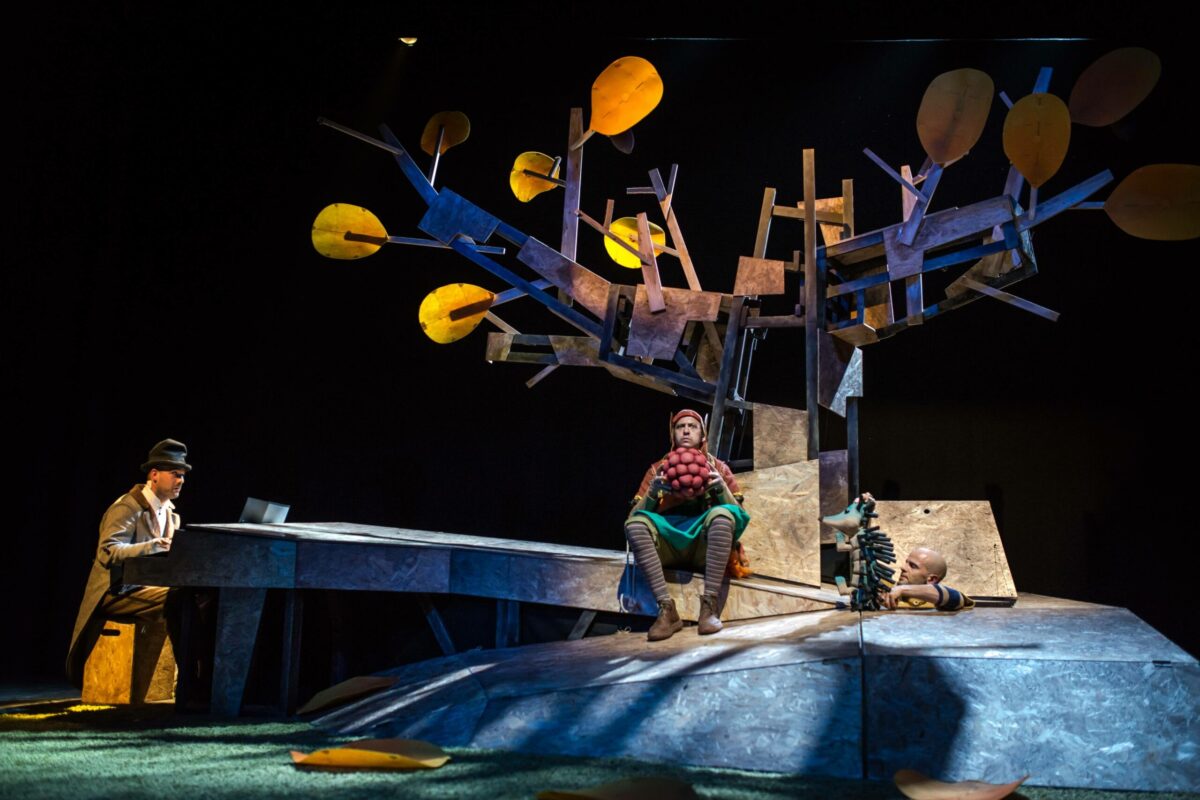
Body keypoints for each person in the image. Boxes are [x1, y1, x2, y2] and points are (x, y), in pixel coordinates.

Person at [65, 439, 191, 685]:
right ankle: (187, 682)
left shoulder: (171, 515)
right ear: (154, 474)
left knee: (198, 597)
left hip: (145, 589)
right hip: (116, 592)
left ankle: (197, 679)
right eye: (175, 474)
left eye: (183, 475)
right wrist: (156, 545)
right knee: (178, 600)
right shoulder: (128, 507)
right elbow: (108, 552)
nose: (181, 480)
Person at [624, 410, 751, 641]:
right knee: (635, 525)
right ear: (672, 433)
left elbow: (740, 516)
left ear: (702, 434)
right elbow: (632, 517)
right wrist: (652, 493)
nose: (685, 430)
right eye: (680, 426)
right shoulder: (656, 470)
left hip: (703, 548)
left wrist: (721, 487)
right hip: (667, 548)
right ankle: (667, 610)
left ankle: (709, 607)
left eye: (692, 426)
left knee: (723, 515)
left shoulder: (718, 468)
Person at [880, 546, 975, 611]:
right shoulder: (884, 587)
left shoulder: (936, 603)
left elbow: (957, 598)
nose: (903, 568)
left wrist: (902, 590)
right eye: (906, 563)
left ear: (932, 579)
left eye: (913, 566)